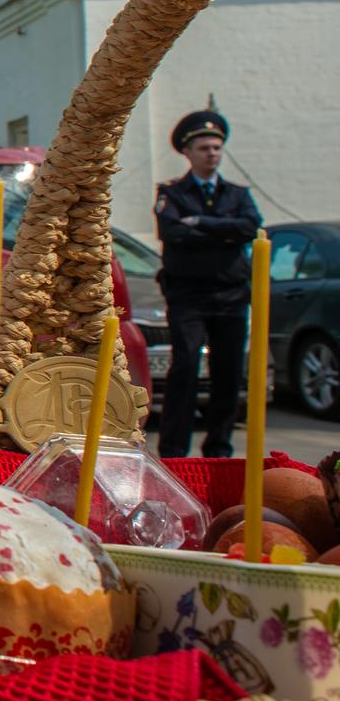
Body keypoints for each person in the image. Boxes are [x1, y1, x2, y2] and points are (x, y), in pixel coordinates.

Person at [155, 109, 263, 458]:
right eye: (204, 148)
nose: (212, 153)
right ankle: (174, 452)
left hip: (231, 296)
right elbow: (173, 232)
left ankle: (218, 450)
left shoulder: (238, 194)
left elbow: (250, 227)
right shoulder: (172, 192)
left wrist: (201, 222)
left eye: (216, 147)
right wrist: (223, 231)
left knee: (228, 375)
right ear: (188, 153)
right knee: (185, 367)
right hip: (189, 296)